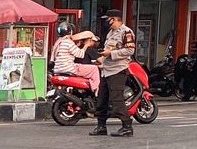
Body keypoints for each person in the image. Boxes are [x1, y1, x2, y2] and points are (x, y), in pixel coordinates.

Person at [90, 9, 137, 137]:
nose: (106, 22)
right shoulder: (111, 33)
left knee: (116, 100)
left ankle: (127, 126)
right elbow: (107, 49)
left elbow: (130, 50)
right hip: (106, 70)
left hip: (118, 70)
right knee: (102, 100)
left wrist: (111, 54)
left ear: (115, 19)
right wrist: (101, 58)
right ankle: (101, 127)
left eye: (108, 19)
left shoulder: (126, 32)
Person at [52, 22, 99, 92]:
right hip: (68, 68)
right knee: (94, 69)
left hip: (58, 69)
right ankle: (94, 89)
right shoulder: (68, 42)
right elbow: (80, 54)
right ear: (70, 32)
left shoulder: (59, 42)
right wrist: (86, 45)